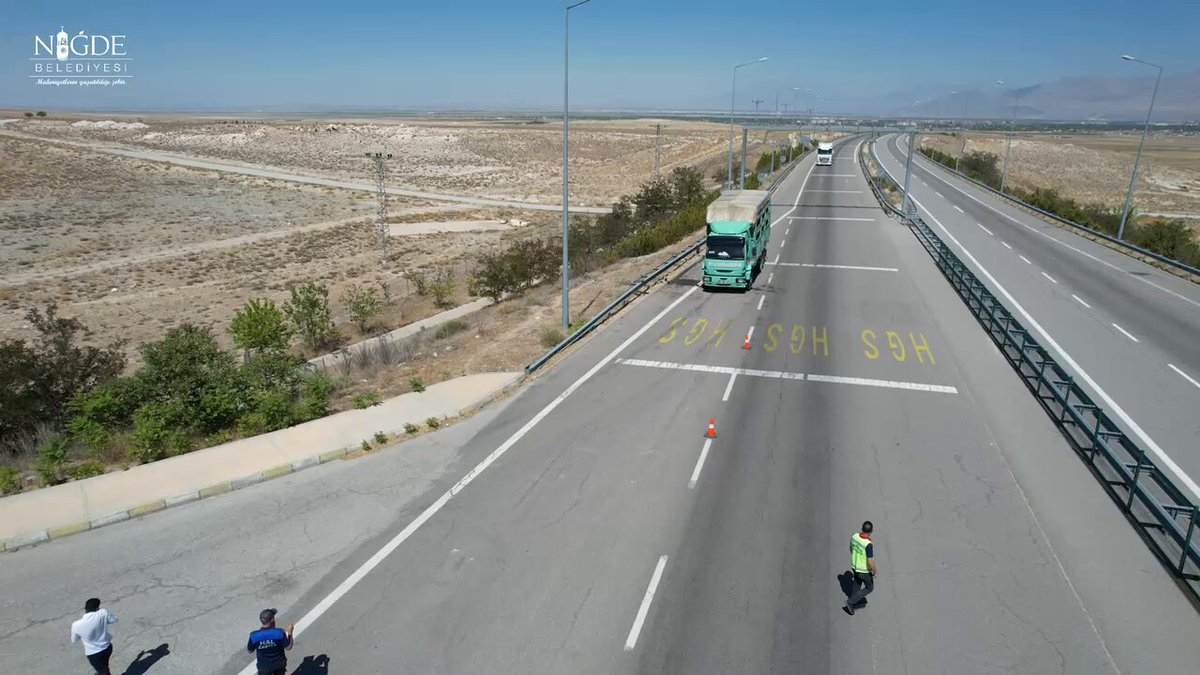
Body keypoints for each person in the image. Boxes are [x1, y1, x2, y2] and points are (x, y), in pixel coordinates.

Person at [70, 597, 118, 674]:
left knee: (103, 671)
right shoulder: (103, 613)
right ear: (97, 608)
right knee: (104, 666)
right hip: (107, 648)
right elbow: (114, 620)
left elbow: (74, 640)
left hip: (93, 654)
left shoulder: (76, 625)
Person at [247, 608, 294, 675]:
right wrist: (290, 632)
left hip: (263, 667)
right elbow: (288, 647)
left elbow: (250, 650)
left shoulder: (254, 636)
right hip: (279, 665)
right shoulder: (279, 633)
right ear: (272, 620)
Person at [844, 520, 877, 615]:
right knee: (869, 588)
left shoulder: (854, 536)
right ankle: (850, 602)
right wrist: (875, 571)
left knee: (857, 583)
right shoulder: (868, 545)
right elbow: (870, 561)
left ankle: (854, 600)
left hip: (854, 566)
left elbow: (850, 547)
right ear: (871, 531)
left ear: (862, 528)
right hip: (864, 571)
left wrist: (855, 557)